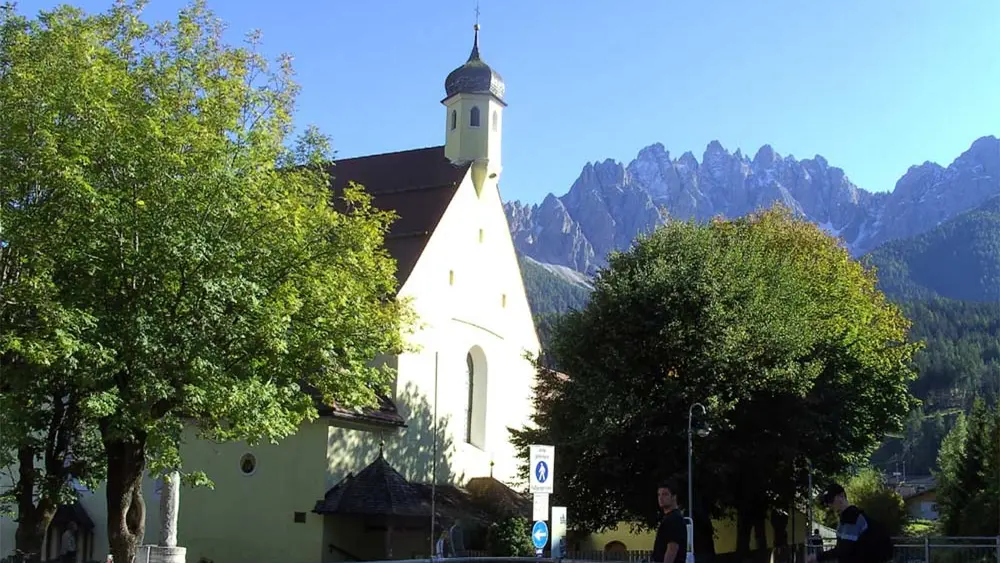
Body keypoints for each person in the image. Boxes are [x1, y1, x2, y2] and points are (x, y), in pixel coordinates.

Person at [806, 483, 867, 563]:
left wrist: (817, 557)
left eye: (831, 500)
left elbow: (844, 550)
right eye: (827, 502)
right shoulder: (844, 519)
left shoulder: (853, 517)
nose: (829, 505)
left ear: (842, 496)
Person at [651, 480, 688, 563]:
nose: (660, 498)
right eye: (659, 495)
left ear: (674, 497)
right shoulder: (671, 518)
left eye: (665, 494)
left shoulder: (673, 519)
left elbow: (672, 548)